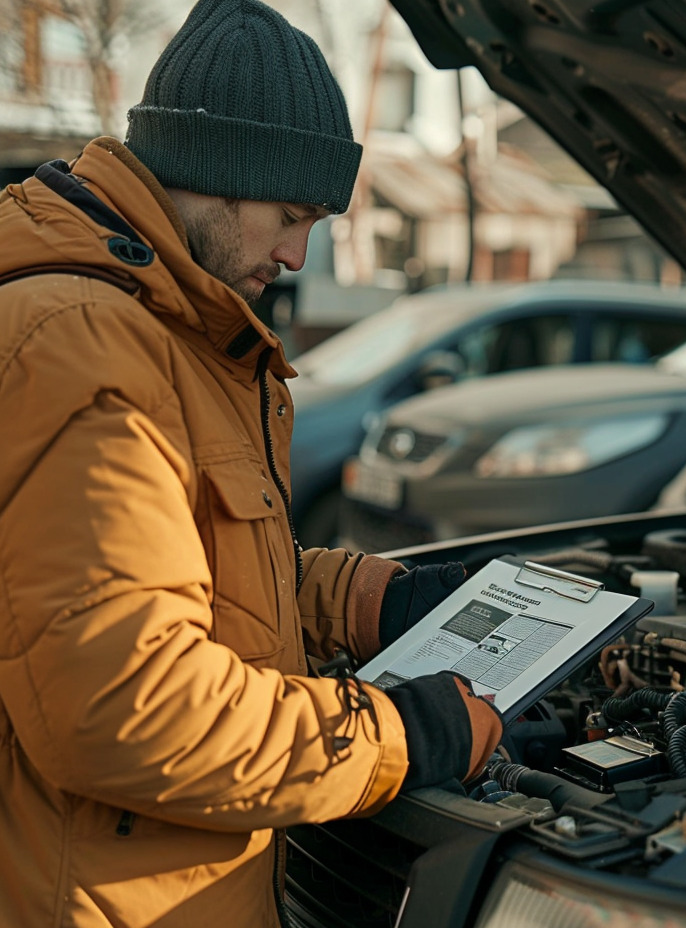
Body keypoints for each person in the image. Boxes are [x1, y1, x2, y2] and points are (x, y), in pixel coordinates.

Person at [0, 1, 503, 925]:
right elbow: (126, 707)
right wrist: (397, 736)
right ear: (220, 171)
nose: (295, 252)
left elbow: (176, 576)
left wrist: (362, 600)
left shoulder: (162, 327)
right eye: (289, 214)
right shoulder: (89, 347)